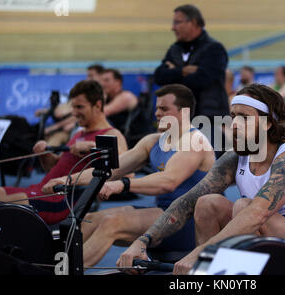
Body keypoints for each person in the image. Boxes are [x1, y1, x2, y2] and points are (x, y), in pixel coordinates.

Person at [117, 84, 285, 275]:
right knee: (207, 203)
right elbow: (187, 203)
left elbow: (256, 215)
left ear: (268, 123)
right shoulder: (235, 158)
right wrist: (142, 241)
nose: (234, 124)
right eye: (233, 117)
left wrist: (197, 254)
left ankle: (211, 264)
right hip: (274, 244)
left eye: (244, 118)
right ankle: (210, 273)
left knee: (244, 207)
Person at [42, 84, 215, 267]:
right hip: (163, 215)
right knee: (89, 220)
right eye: (156, 108)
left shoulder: (195, 141)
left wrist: (122, 184)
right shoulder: (152, 141)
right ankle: (45, 265)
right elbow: (111, 170)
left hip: (188, 224)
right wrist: (67, 180)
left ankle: (63, 271)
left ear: (184, 113)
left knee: (112, 223)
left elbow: (168, 181)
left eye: (164, 109)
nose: (157, 113)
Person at [0, 80, 128, 225]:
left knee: (0, 206)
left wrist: (92, 147)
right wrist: (45, 153)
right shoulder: (79, 133)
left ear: (98, 105)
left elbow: (124, 171)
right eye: (73, 107)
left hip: (61, 200)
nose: (74, 113)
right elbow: (53, 167)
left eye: (80, 107)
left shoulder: (112, 134)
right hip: (43, 189)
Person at [153, 4, 229, 150]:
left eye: (177, 22)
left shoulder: (214, 49)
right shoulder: (175, 49)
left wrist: (174, 72)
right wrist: (182, 71)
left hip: (208, 121)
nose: (173, 27)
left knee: (208, 168)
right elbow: (159, 76)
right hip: (180, 122)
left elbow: (200, 80)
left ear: (193, 22)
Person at [101, 68, 139, 133]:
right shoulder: (109, 98)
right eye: (102, 81)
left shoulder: (126, 96)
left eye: (106, 80)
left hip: (135, 138)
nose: (103, 84)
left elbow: (102, 113)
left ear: (118, 82)